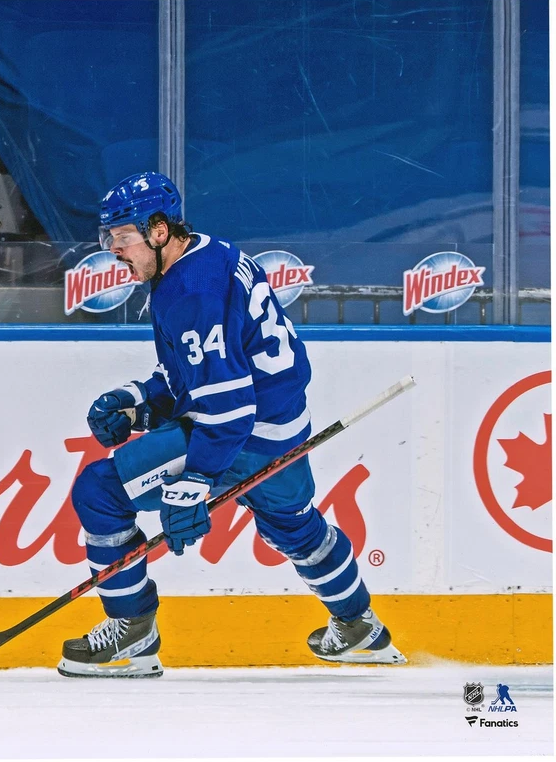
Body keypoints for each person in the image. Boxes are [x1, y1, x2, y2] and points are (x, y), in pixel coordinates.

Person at [57, 172, 405, 678]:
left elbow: (226, 407)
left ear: (158, 230)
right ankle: (360, 628)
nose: (114, 249)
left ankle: (133, 633)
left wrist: (197, 480)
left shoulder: (190, 291)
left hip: (240, 433)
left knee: (100, 492)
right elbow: (202, 374)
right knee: (292, 524)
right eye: (109, 238)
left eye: (124, 236)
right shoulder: (209, 253)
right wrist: (138, 403)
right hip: (282, 425)